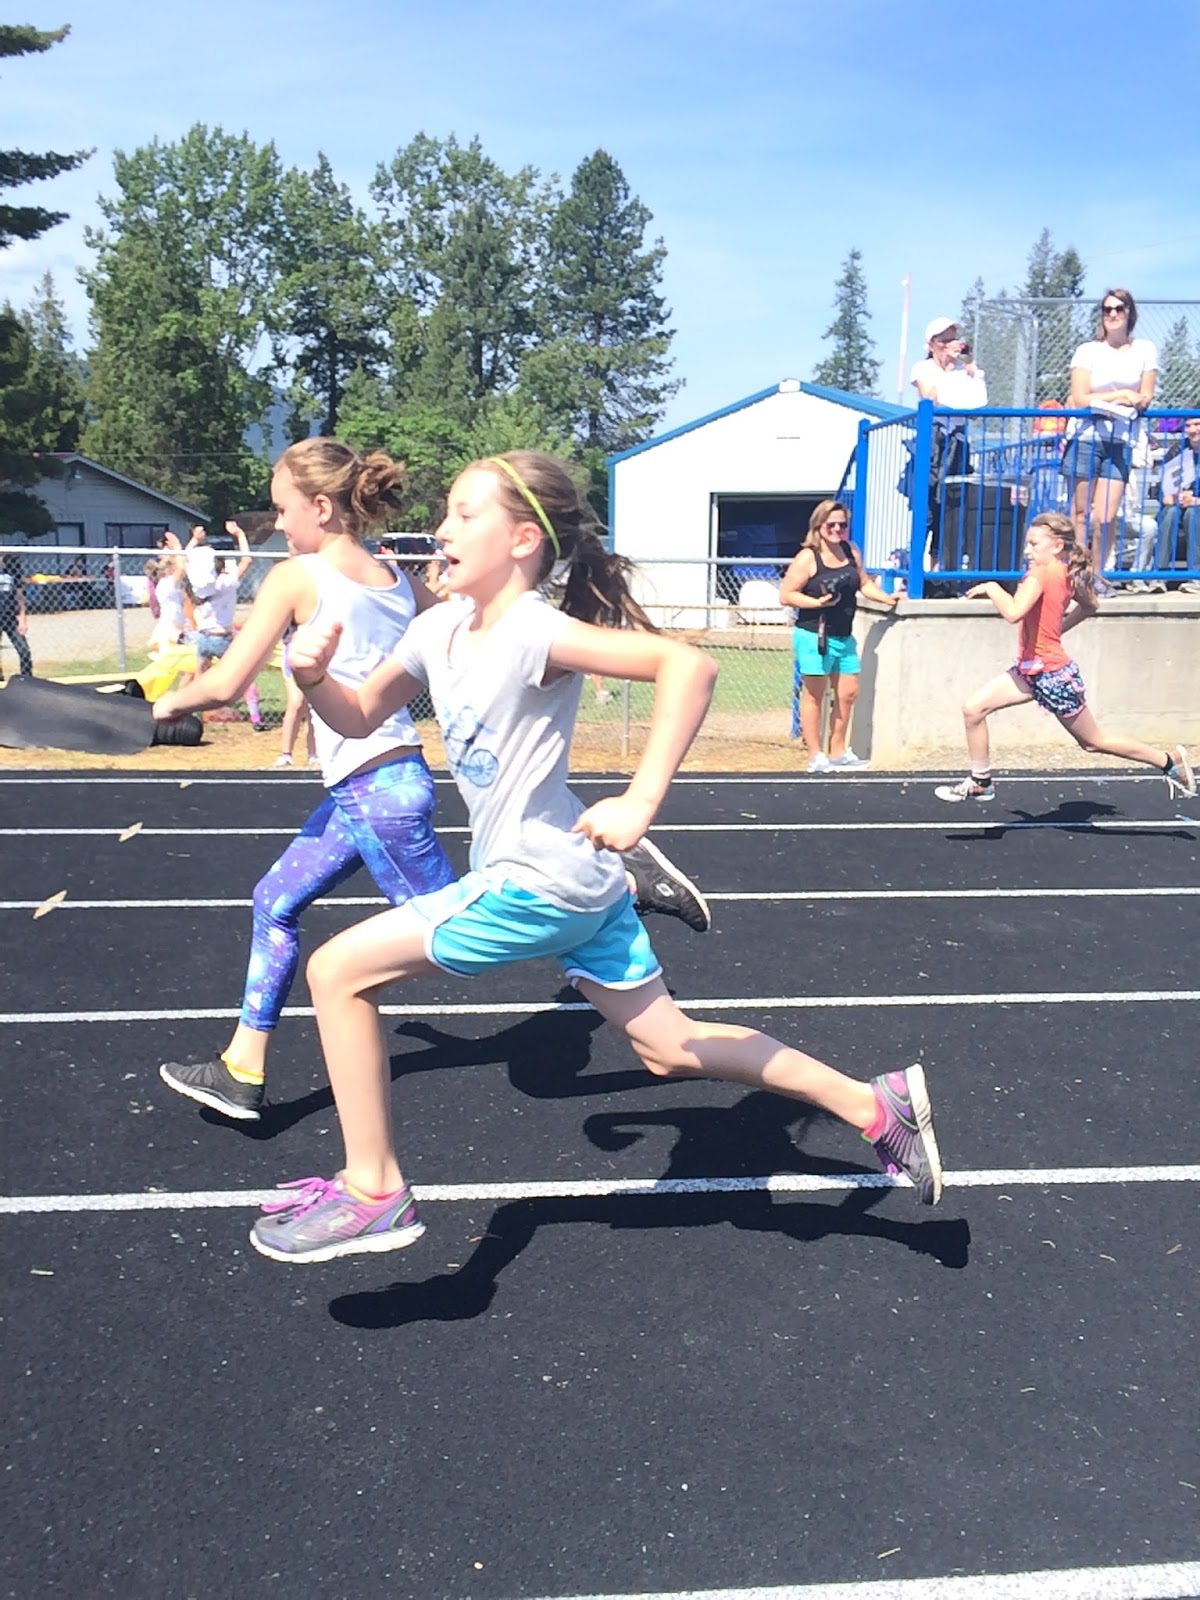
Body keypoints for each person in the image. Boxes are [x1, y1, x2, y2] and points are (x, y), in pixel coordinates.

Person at [246, 450, 944, 1265]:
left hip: (537, 879)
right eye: (445, 512)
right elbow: (361, 716)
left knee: (336, 972)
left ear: (520, 541)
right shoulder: (435, 629)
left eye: (465, 514)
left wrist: (641, 801)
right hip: (577, 872)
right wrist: (313, 676)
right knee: (668, 1048)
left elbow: (690, 665)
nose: (442, 530)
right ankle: (875, 1105)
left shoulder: (537, 630)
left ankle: (372, 1188)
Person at [154, 439, 709, 1123]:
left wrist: (165, 704)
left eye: (281, 510)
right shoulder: (395, 579)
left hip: (374, 790)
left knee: (399, 943)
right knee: (279, 901)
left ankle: (619, 875)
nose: (278, 525)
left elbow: (231, 679)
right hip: (384, 778)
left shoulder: (296, 576)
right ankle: (244, 1063)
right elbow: (442, 641)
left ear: (319, 507)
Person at [933, 511, 1195, 805]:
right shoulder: (1066, 571)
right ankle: (981, 782)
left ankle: (1169, 761)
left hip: (1052, 675)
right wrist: (1057, 628)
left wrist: (992, 588)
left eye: (1034, 544)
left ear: (1057, 545)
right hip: (1029, 671)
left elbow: (1014, 612)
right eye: (1027, 544)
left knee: (1093, 742)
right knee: (973, 710)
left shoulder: (1040, 575)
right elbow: (1090, 605)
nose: (1027, 550)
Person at [779, 499, 898, 773]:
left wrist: (887, 599)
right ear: (819, 526)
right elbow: (786, 595)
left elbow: (864, 582)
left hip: (844, 635)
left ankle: (838, 751)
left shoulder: (850, 550)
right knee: (815, 696)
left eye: (842, 525)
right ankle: (815, 756)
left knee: (848, 693)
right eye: (831, 524)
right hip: (814, 636)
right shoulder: (808, 557)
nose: (837, 530)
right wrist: (817, 603)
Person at [1061, 289, 1157, 585]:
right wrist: (1122, 395)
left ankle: (1098, 575)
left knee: (1104, 516)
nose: (1112, 314)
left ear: (1130, 312)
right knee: (1079, 514)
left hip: (1120, 440)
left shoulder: (1145, 349)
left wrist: (1115, 399)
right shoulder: (1087, 351)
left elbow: (1145, 397)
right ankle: (1078, 574)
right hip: (1086, 437)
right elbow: (1079, 397)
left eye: (1119, 308)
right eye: (1107, 309)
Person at [1158, 413, 1200, 593]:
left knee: (1193, 514)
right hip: (1178, 503)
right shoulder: (1177, 451)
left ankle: (1195, 575)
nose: (1192, 430)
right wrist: (1169, 497)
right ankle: (1158, 575)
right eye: (1188, 426)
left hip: (1196, 506)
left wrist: (1197, 500)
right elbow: (1162, 490)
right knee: (1170, 512)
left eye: (1197, 424)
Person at [0, 552, 33, 680]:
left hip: (9, 617)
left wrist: (22, 619)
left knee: (24, 651)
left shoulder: (12, 570)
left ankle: (27, 679)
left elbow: (20, 596)